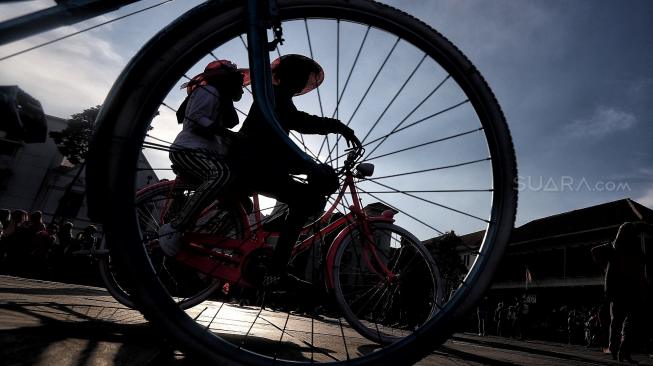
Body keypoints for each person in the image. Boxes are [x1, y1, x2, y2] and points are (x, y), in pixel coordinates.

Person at [234, 54, 361, 287]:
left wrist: (310, 164)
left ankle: (277, 226)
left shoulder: (277, 96)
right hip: (255, 161)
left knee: (315, 189)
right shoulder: (275, 97)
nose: (303, 83)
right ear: (290, 78)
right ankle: (276, 269)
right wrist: (335, 128)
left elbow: (288, 131)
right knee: (309, 199)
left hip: (261, 160)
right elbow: (298, 122)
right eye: (301, 78)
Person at [158, 59, 249, 255]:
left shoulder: (219, 96)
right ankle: (175, 227)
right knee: (221, 174)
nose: (242, 88)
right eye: (239, 83)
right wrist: (228, 134)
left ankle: (205, 239)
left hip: (206, 153)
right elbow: (196, 119)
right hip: (189, 150)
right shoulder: (209, 91)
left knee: (242, 202)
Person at [592, 222, 650, 363]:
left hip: (621, 291)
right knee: (626, 322)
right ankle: (622, 350)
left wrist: (604, 268)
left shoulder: (614, 248)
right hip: (628, 291)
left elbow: (594, 251)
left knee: (618, 322)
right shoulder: (623, 249)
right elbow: (643, 265)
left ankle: (617, 348)